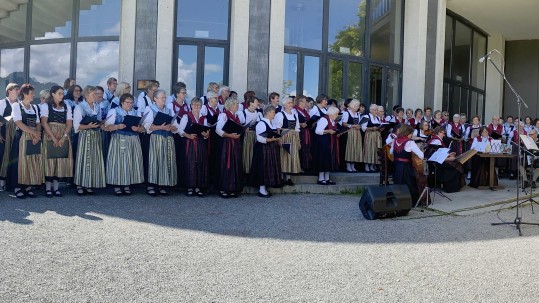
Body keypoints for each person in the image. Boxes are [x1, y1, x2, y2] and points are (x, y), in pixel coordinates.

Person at [7, 84, 44, 198]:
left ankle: (27, 186)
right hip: (22, 136)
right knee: (19, 162)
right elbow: (18, 122)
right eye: (31, 93)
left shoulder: (34, 107)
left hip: (33, 137)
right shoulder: (16, 106)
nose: (33, 95)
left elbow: (38, 123)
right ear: (25, 94)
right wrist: (34, 133)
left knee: (31, 160)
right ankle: (17, 187)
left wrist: (37, 136)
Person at [104, 93, 144, 196]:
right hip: (119, 138)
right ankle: (117, 184)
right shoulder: (114, 111)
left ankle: (126, 184)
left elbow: (142, 128)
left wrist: (138, 129)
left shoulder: (135, 112)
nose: (129, 104)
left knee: (130, 162)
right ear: (122, 102)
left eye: (131, 103)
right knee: (119, 162)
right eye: (127, 102)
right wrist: (117, 126)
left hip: (133, 139)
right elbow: (106, 127)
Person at [142, 89, 179, 196]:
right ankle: (151, 185)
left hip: (167, 138)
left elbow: (176, 127)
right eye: (162, 98)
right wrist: (160, 127)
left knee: (165, 161)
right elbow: (147, 126)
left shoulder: (169, 110)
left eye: (165, 97)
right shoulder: (149, 109)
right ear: (155, 99)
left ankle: (162, 185)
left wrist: (170, 127)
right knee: (154, 161)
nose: (164, 99)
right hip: (155, 138)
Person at [40, 85, 73, 197]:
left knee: (60, 160)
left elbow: (69, 123)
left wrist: (64, 136)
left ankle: (56, 187)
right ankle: (48, 188)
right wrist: (53, 137)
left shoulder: (67, 105)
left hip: (63, 135)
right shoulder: (46, 106)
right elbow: (44, 123)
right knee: (50, 161)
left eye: (62, 93)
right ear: (53, 94)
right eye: (59, 93)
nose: (62, 95)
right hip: (50, 134)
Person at [73, 86, 106, 196]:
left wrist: (101, 123)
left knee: (93, 159)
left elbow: (99, 120)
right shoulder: (80, 107)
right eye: (93, 94)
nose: (96, 96)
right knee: (83, 158)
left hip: (95, 135)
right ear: (86, 96)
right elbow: (77, 126)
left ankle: (89, 184)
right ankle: (79, 185)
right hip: (85, 136)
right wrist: (88, 126)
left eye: (96, 94)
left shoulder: (97, 106)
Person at [178, 97, 210, 197]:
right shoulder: (186, 116)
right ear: (191, 105)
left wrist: (206, 135)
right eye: (195, 105)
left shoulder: (203, 118)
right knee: (190, 164)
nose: (197, 107)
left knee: (200, 164)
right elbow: (180, 131)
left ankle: (198, 187)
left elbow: (206, 132)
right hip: (189, 143)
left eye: (199, 106)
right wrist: (189, 136)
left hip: (200, 143)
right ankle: (189, 187)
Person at [250, 105, 282, 197]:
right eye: (273, 112)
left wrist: (277, 138)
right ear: (267, 113)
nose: (274, 114)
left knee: (269, 167)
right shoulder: (261, 123)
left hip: (271, 148)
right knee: (262, 168)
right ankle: (261, 189)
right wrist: (271, 140)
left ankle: (265, 188)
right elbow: (260, 138)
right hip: (263, 149)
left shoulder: (273, 123)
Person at [215, 98, 244, 198]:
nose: (238, 105)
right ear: (231, 105)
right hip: (226, 143)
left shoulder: (237, 116)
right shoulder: (224, 115)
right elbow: (218, 130)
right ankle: (223, 189)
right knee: (225, 165)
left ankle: (232, 188)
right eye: (236, 104)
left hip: (235, 143)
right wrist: (230, 135)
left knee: (234, 164)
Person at [390, 125, 424, 203]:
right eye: (411, 133)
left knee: (398, 185)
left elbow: (391, 152)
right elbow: (421, 156)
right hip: (406, 168)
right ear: (408, 133)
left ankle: (398, 200)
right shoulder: (410, 143)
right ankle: (410, 201)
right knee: (410, 185)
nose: (411, 135)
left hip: (396, 167)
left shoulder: (394, 141)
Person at [426, 126, 463, 193]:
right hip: (435, 163)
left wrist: (449, 155)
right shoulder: (437, 141)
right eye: (443, 133)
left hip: (437, 161)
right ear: (439, 133)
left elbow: (439, 153)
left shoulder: (436, 140)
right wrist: (449, 159)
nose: (444, 135)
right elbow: (435, 157)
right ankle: (450, 188)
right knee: (455, 166)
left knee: (455, 162)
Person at [274, 97, 302, 184]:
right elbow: (278, 128)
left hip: (293, 137)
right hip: (284, 136)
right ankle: (282, 177)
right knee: (284, 156)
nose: (291, 104)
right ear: (285, 104)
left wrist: (298, 141)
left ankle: (288, 178)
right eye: (289, 103)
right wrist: (279, 139)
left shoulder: (295, 115)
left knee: (291, 156)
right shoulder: (280, 114)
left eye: (291, 103)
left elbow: (297, 129)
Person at [167, 86, 190, 189]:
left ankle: (183, 181)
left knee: (183, 158)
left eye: (185, 93)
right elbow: (172, 120)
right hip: (175, 134)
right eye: (183, 93)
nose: (184, 94)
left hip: (184, 134)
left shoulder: (187, 106)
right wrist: (178, 129)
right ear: (177, 94)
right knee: (175, 157)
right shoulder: (171, 105)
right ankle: (174, 182)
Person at [0, 83, 20, 190]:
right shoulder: (2, 103)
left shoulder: (20, 103)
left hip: (16, 133)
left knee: (13, 156)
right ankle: (2, 180)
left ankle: (11, 181)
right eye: (16, 89)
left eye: (18, 90)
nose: (18, 91)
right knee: (3, 155)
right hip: (4, 133)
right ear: (9, 91)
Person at [314, 107, 340, 185]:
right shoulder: (324, 119)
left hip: (330, 141)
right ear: (331, 114)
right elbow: (317, 131)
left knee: (329, 158)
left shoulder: (332, 120)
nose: (337, 115)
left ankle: (327, 178)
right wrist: (329, 131)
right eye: (336, 114)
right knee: (323, 158)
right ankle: (321, 178)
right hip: (323, 141)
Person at [240, 96, 262, 176]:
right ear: (251, 103)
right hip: (246, 137)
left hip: (255, 136)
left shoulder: (258, 113)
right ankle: (246, 172)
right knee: (246, 154)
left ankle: (253, 171)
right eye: (256, 102)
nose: (258, 103)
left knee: (254, 154)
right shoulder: (242, 113)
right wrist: (243, 129)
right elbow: (238, 126)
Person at [341, 99, 363, 172]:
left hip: (357, 133)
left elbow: (359, 123)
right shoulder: (346, 113)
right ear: (353, 106)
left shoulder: (357, 114)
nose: (358, 107)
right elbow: (344, 124)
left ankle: (353, 165)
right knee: (350, 148)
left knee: (355, 148)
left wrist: (359, 126)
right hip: (350, 132)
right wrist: (353, 126)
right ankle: (348, 165)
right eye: (357, 106)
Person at [293, 95, 313, 173]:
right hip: (300, 132)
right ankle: (300, 167)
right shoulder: (294, 110)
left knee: (306, 148)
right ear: (300, 101)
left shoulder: (304, 111)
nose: (306, 103)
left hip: (307, 131)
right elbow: (294, 121)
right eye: (304, 101)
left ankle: (306, 166)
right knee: (301, 149)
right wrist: (301, 124)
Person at [362, 103, 382, 172]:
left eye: (377, 110)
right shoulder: (366, 116)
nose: (376, 112)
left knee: (375, 150)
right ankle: (367, 165)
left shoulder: (377, 118)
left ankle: (372, 165)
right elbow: (363, 128)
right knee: (369, 149)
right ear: (371, 110)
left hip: (376, 136)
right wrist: (372, 128)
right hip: (369, 135)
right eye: (375, 110)